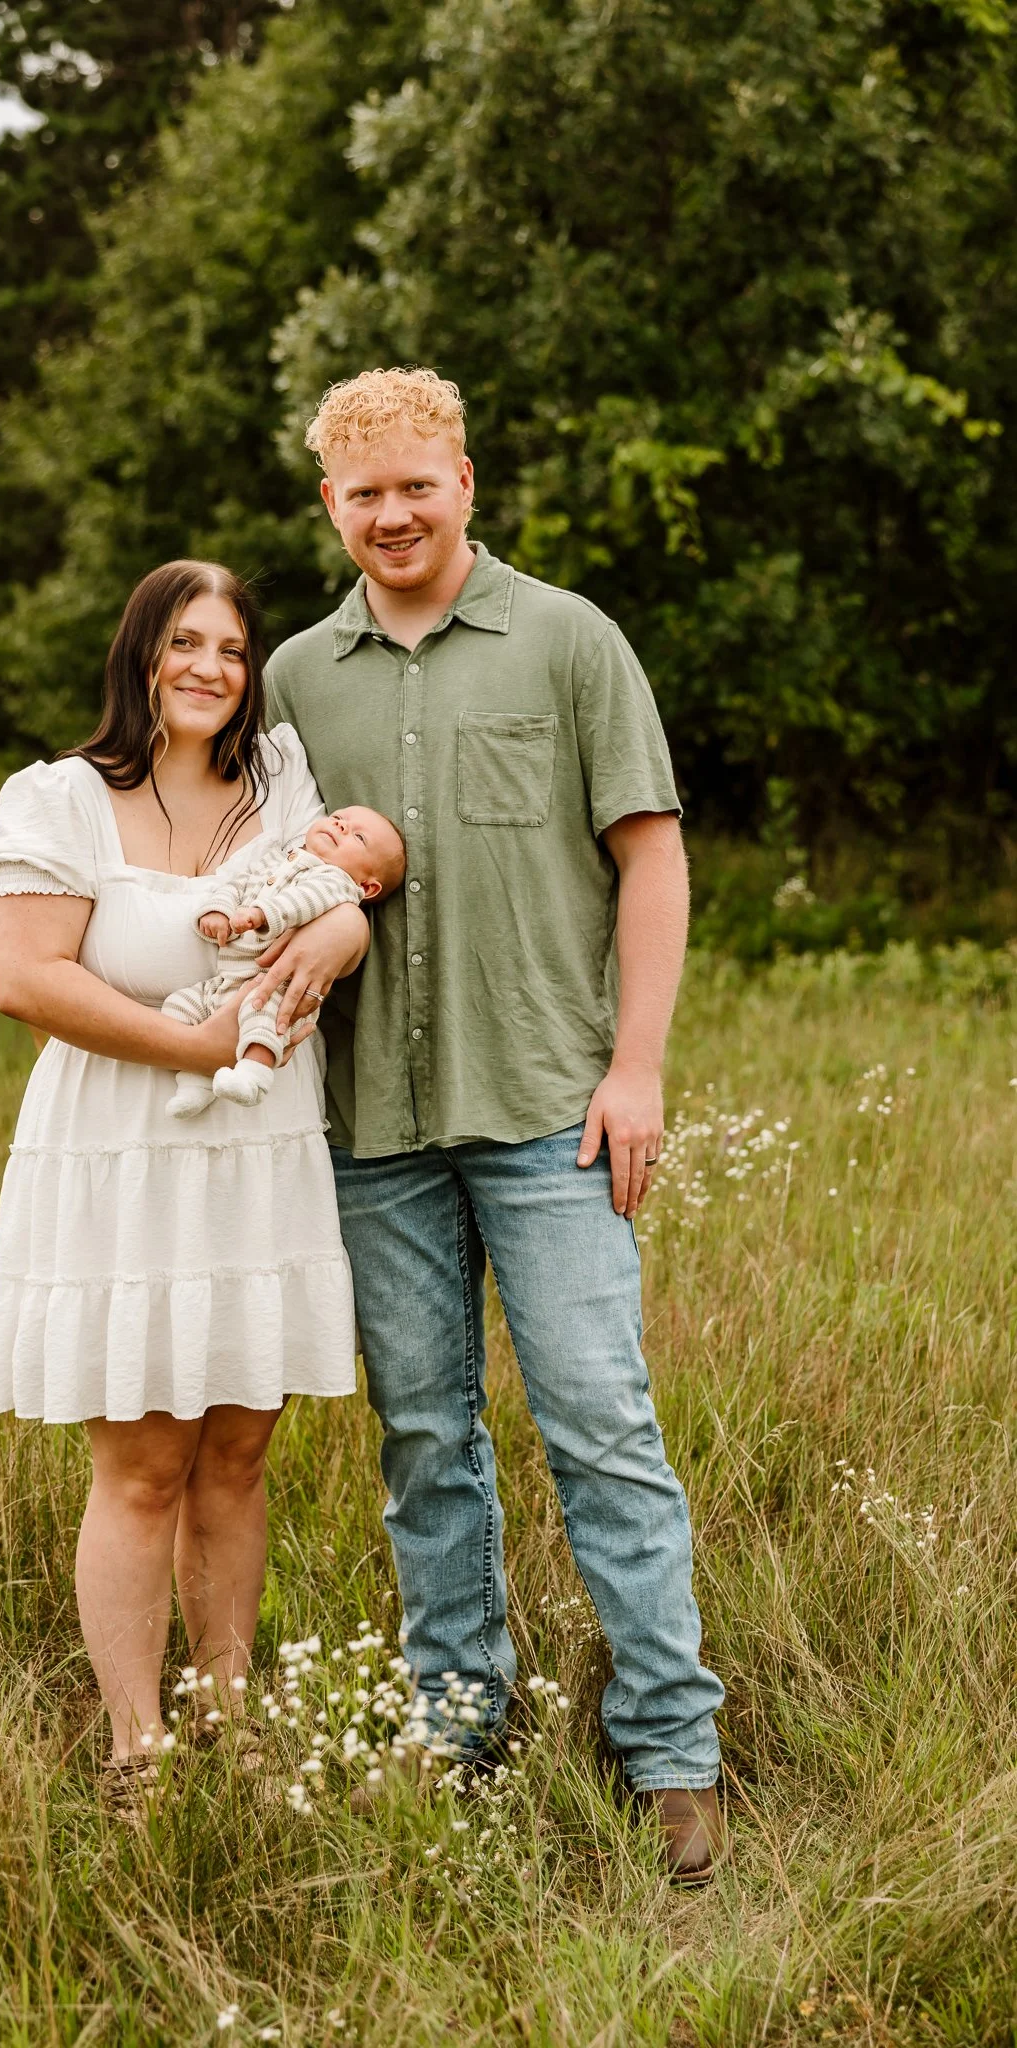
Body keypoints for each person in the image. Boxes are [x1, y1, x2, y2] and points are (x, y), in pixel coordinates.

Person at [250, 367, 727, 1883]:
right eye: (360, 492)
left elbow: (649, 857)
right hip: (370, 1123)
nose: (391, 514)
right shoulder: (293, 681)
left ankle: (670, 1746)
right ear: (329, 506)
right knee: (423, 1439)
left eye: (416, 484)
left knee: (602, 1424)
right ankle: (461, 1726)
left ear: (465, 481)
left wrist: (634, 1067)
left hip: (548, 1111)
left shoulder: (568, 640)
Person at [0, 559, 368, 1804]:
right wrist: (196, 1040)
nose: (210, 667)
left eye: (232, 648)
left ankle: (235, 1723)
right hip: (124, 1151)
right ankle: (138, 1746)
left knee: (240, 1455)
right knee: (145, 1463)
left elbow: (343, 884)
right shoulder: (58, 799)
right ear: (139, 652)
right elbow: (30, 979)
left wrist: (348, 920)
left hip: (258, 1151)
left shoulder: (280, 780)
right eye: (184, 641)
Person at [163, 806, 405, 1116]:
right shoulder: (278, 859)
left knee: (264, 1021)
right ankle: (196, 1082)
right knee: (179, 1005)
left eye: (358, 836)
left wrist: (262, 915)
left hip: (273, 986)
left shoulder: (339, 884)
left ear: (368, 886)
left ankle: (254, 1079)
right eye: (338, 818)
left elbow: (304, 901)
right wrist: (220, 911)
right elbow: (238, 883)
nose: (341, 827)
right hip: (225, 980)